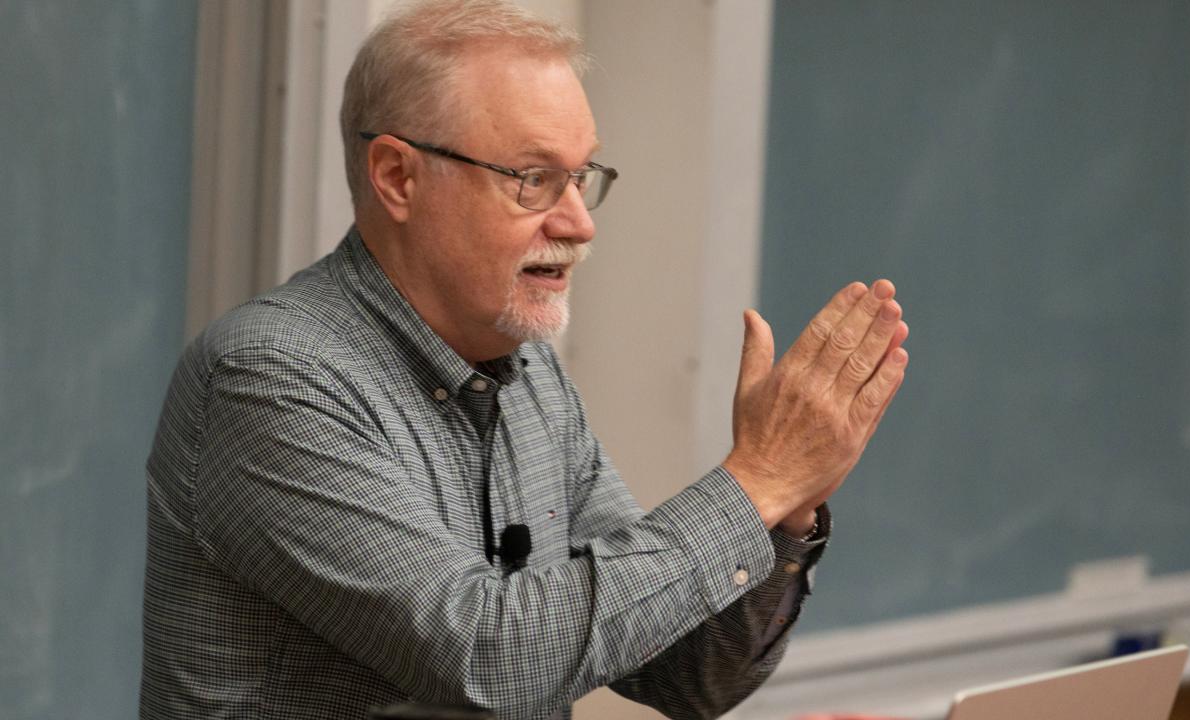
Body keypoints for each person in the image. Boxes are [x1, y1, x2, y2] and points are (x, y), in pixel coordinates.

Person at [139, 1, 909, 718]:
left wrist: (789, 508)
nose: (579, 223)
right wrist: (756, 481)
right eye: (533, 179)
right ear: (398, 177)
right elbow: (489, 658)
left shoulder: (531, 375)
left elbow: (686, 672)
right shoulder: (269, 378)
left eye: (581, 177)